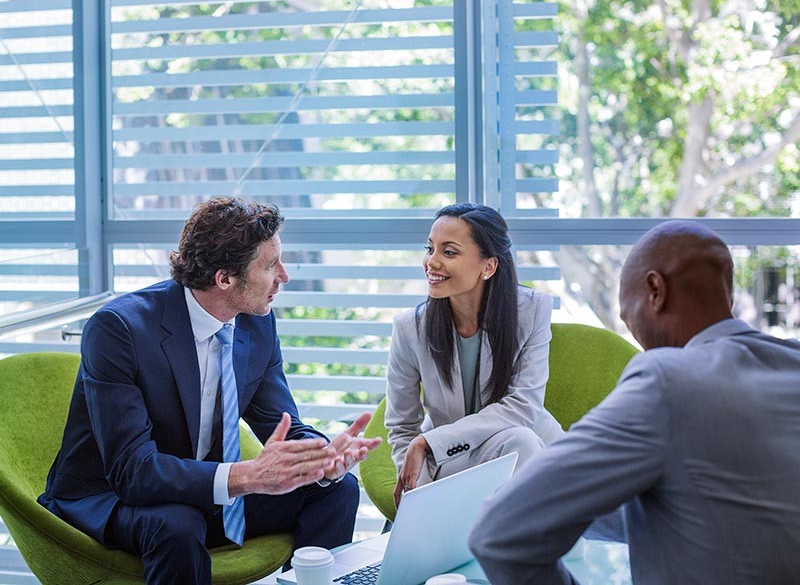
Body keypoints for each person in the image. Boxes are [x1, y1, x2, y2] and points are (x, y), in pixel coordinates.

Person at [38, 197, 381, 584]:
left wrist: (321, 460)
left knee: (336, 491)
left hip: (204, 489)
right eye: (270, 265)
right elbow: (133, 471)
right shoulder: (120, 330)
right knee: (177, 524)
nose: (284, 275)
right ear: (225, 278)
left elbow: (280, 423)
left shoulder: (256, 323)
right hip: (115, 495)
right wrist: (246, 477)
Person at [469, 220, 800, 584]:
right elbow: (724, 505)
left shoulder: (667, 378)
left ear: (655, 290)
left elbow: (500, 533)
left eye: (629, 316)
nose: (635, 336)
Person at [385, 203, 563, 507]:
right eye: (430, 248)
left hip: (528, 452)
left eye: (449, 252)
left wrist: (430, 441)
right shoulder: (409, 329)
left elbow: (522, 408)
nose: (432, 262)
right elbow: (402, 425)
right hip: (455, 462)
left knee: (520, 442)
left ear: (488, 266)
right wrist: (418, 489)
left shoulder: (532, 311)